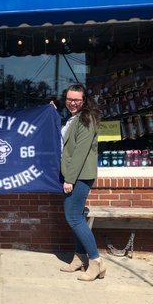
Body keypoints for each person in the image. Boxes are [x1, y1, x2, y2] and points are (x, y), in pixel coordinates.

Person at [56, 84, 105, 281]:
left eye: (76, 100)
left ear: (84, 101)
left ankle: (96, 262)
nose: (72, 103)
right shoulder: (73, 118)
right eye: (69, 99)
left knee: (74, 217)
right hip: (72, 175)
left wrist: (69, 179)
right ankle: (79, 257)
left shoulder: (86, 119)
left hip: (79, 176)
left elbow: (80, 153)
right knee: (76, 217)